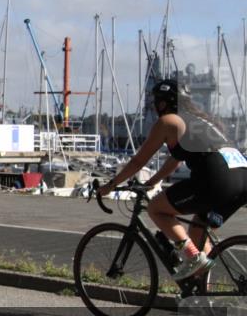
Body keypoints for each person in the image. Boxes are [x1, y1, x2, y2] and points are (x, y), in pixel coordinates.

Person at [98, 79, 247, 280]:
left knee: (155, 209)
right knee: (197, 232)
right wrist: (152, 182)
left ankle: (193, 257)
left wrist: (110, 185)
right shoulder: (200, 121)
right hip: (241, 179)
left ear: (163, 103)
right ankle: (201, 292)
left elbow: (138, 161)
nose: (154, 106)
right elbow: (175, 160)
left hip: (217, 179)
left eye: (155, 102)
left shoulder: (169, 121)